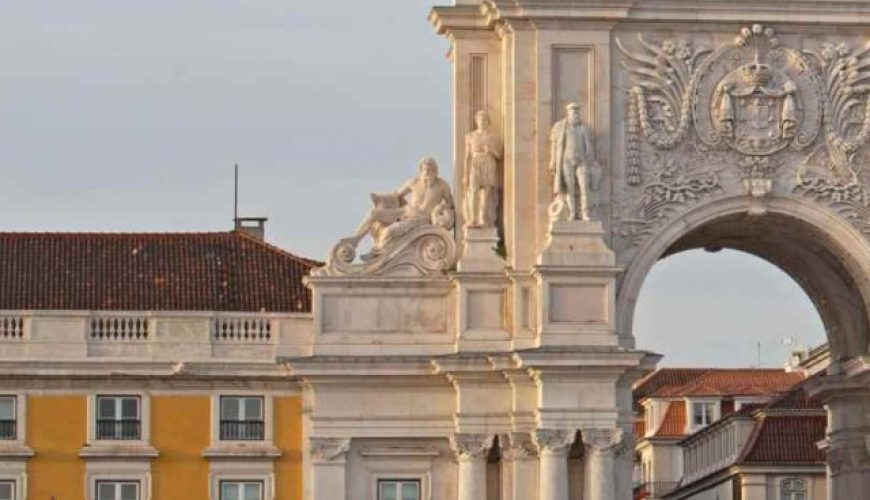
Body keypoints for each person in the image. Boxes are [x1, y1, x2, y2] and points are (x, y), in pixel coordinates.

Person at [350, 157, 454, 258]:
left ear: (435, 170)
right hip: (405, 211)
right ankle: (354, 241)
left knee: (389, 232)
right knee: (374, 214)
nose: (427, 172)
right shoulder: (413, 182)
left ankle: (377, 253)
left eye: (430, 169)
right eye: (425, 169)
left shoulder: (442, 185)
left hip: (420, 219)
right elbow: (396, 195)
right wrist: (379, 198)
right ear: (421, 170)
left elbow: (450, 203)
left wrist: (440, 208)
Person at [549, 102, 600, 221]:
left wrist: (593, 161)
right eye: (573, 113)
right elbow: (555, 145)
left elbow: (590, 146)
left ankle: (585, 213)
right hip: (566, 160)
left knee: (584, 187)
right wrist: (553, 161)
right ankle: (572, 213)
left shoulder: (584, 129)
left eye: (577, 112)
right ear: (569, 114)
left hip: (582, 161)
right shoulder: (560, 127)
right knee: (569, 188)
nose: (576, 115)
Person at [464, 110, 502, 228]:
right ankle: (472, 218)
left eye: (485, 120)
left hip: (488, 162)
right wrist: (465, 174)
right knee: (473, 190)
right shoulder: (470, 136)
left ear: (488, 122)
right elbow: (467, 157)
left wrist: (490, 150)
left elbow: (498, 155)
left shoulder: (494, 136)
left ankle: (483, 219)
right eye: (480, 119)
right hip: (475, 163)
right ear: (477, 121)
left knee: (486, 192)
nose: (482, 122)